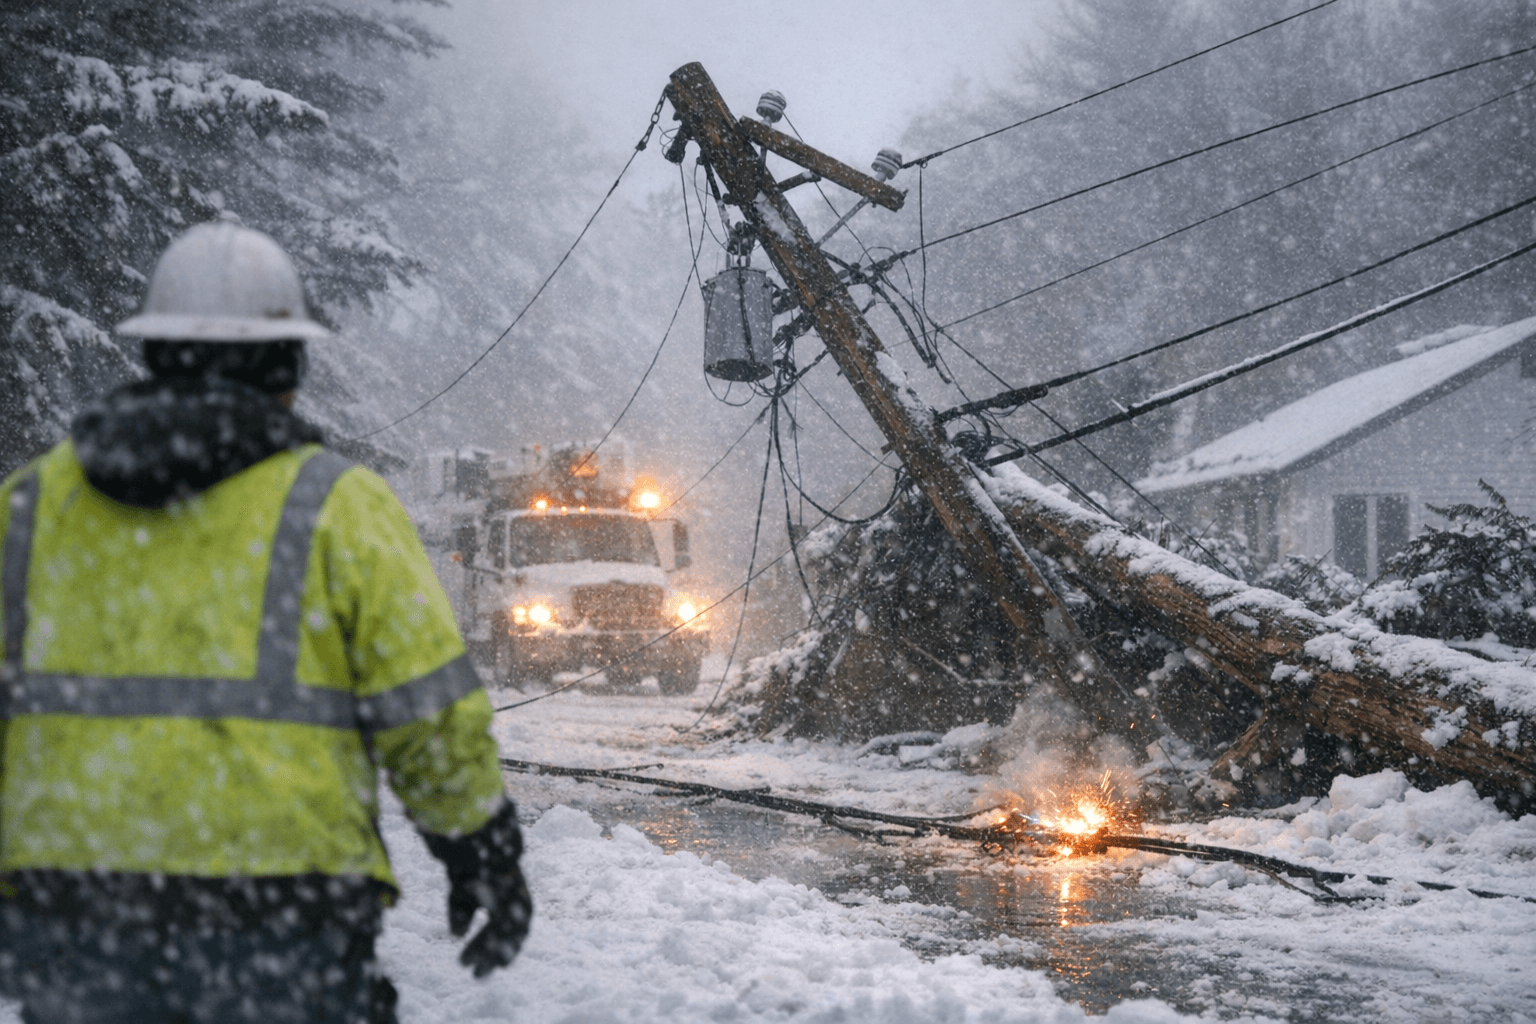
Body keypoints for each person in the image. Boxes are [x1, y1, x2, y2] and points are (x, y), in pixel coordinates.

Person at [0, 222, 531, 1023]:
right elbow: (430, 716)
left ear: (153, 351)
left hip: (75, 912)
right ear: (289, 364)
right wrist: (479, 852)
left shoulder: (30, 507)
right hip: (284, 915)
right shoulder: (338, 509)